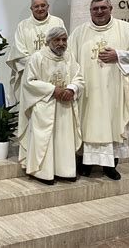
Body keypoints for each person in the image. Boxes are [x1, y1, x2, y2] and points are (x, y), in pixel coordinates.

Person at [69, 0, 129, 180]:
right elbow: (69, 59)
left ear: (111, 9)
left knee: (113, 124)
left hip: (115, 91)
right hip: (88, 91)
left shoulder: (125, 29)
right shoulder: (80, 32)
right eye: (95, 8)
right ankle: (85, 163)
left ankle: (110, 166)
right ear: (90, 11)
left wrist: (118, 55)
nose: (99, 11)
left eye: (103, 8)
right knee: (87, 124)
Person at [18, 27, 84, 185]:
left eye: (64, 40)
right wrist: (52, 90)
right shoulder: (37, 57)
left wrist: (72, 88)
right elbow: (29, 82)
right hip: (44, 106)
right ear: (48, 42)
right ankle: (43, 173)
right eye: (57, 40)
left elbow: (79, 78)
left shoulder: (69, 57)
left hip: (65, 107)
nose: (61, 43)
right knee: (44, 141)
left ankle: (65, 171)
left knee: (63, 140)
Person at [6, 0, 65, 103]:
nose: (40, 9)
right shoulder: (23, 26)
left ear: (48, 7)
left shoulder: (57, 22)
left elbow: (63, 46)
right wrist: (38, 66)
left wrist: (47, 66)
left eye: (43, 5)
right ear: (31, 9)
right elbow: (19, 54)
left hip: (52, 73)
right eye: (36, 6)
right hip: (30, 76)